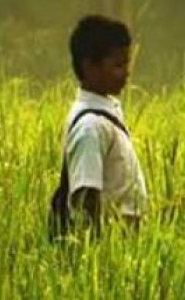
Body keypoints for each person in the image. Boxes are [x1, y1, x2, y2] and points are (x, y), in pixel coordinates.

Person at [63, 15, 147, 233]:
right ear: (90, 66)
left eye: (127, 63)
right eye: (118, 65)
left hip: (128, 242)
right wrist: (98, 256)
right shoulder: (90, 128)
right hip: (112, 244)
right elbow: (86, 198)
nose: (127, 72)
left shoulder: (107, 112)